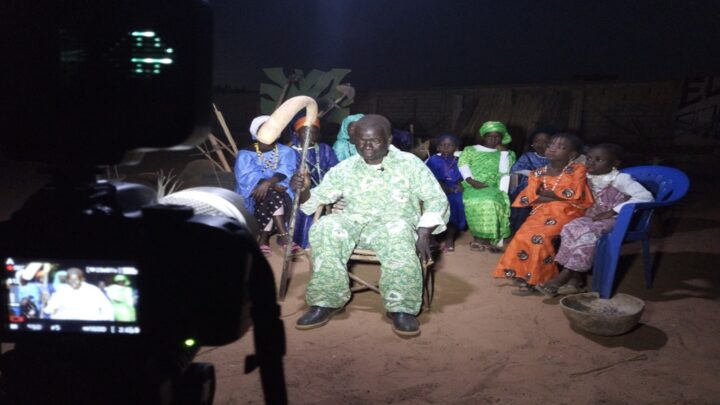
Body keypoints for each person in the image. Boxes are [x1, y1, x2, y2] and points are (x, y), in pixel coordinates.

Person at [290, 114, 449, 337]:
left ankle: (401, 308)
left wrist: (424, 232)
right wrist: (303, 188)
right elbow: (314, 201)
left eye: (374, 140)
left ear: (388, 139)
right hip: (354, 223)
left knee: (398, 230)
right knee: (326, 227)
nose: (367, 146)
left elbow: (436, 199)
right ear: (353, 140)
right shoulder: (345, 168)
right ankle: (326, 301)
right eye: (361, 140)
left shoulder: (409, 164)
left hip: (393, 226)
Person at [535, 144, 654, 296]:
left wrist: (612, 211)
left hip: (616, 220)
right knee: (569, 228)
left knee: (586, 234)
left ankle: (564, 276)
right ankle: (575, 281)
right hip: (591, 217)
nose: (591, 162)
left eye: (599, 160)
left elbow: (646, 196)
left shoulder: (620, 179)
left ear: (615, 163)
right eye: (589, 158)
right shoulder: (586, 176)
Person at [493, 133, 594, 294]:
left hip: (568, 212)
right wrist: (552, 195)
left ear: (572, 154)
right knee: (521, 235)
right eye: (550, 145)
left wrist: (546, 193)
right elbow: (531, 195)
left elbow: (573, 194)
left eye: (560, 147)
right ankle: (523, 273)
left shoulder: (578, 169)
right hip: (542, 211)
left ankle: (539, 280)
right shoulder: (538, 173)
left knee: (540, 238)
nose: (552, 149)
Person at [234, 115, 299, 253]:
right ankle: (283, 236)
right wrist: (268, 185)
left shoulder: (286, 151)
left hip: (280, 191)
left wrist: (269, 183)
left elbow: (287, 170)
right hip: (252, 192)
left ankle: (263, 238)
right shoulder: (245, 153)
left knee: (272, 194)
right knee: (271, 194)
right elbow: (245, 176)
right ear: (256, 132)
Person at [458, 121, 516, 253]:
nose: (494, 139)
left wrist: (503, 154)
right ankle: (479, 238)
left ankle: (487, 239)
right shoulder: (470, 150)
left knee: (492, 201)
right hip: (471, 184)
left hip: (493, 186)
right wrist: (471, 181)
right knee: (477, 201)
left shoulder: (507, 153)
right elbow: (463, 165)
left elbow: (504, 171)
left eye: (497, 137)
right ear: (483, 136)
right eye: (490, 136)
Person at [289, 116, 339, 249]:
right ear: (296, 133)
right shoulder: (290, 152)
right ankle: (301, 242)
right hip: (297, 189)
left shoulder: (325, 149)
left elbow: (335, 171)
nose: (311, 134)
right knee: (300, 203)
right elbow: (287, 175)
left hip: (323, 188)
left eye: (315, 131)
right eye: (306, 131)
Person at [425, 134, 466, 252]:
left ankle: (449, 238)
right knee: (433, 203)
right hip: (436, 187)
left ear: (456, 148)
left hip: (454, 188)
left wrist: (461, 185)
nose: (446, 147)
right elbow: (430, 177)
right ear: (438, 148)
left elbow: (464, 176)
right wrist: (445, 188)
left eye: (450, 145)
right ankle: (432, 238)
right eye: (443, 145)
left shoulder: (460, 161)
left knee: (456, 201)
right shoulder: (433, 160)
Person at [508, 128, 552, 234]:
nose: (540, 144)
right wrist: (511, 191)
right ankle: (516, 228)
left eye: (545, 141)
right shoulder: (527, 156)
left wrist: (532, 174)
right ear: (532, 143)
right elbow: (514, 172)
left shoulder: (555, 159)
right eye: (537, 141)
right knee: (522, 197)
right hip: (525, 188)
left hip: (547, 189)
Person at [43, 268, 114, 321]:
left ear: (82, 279)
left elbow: (107, 309)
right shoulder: (62, 291)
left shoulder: (93, 290)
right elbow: (49, 310)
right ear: (67, 280)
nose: (73, 282)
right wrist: (46, 302)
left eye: (76, 280)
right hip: (67, 327)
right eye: (71, 280)